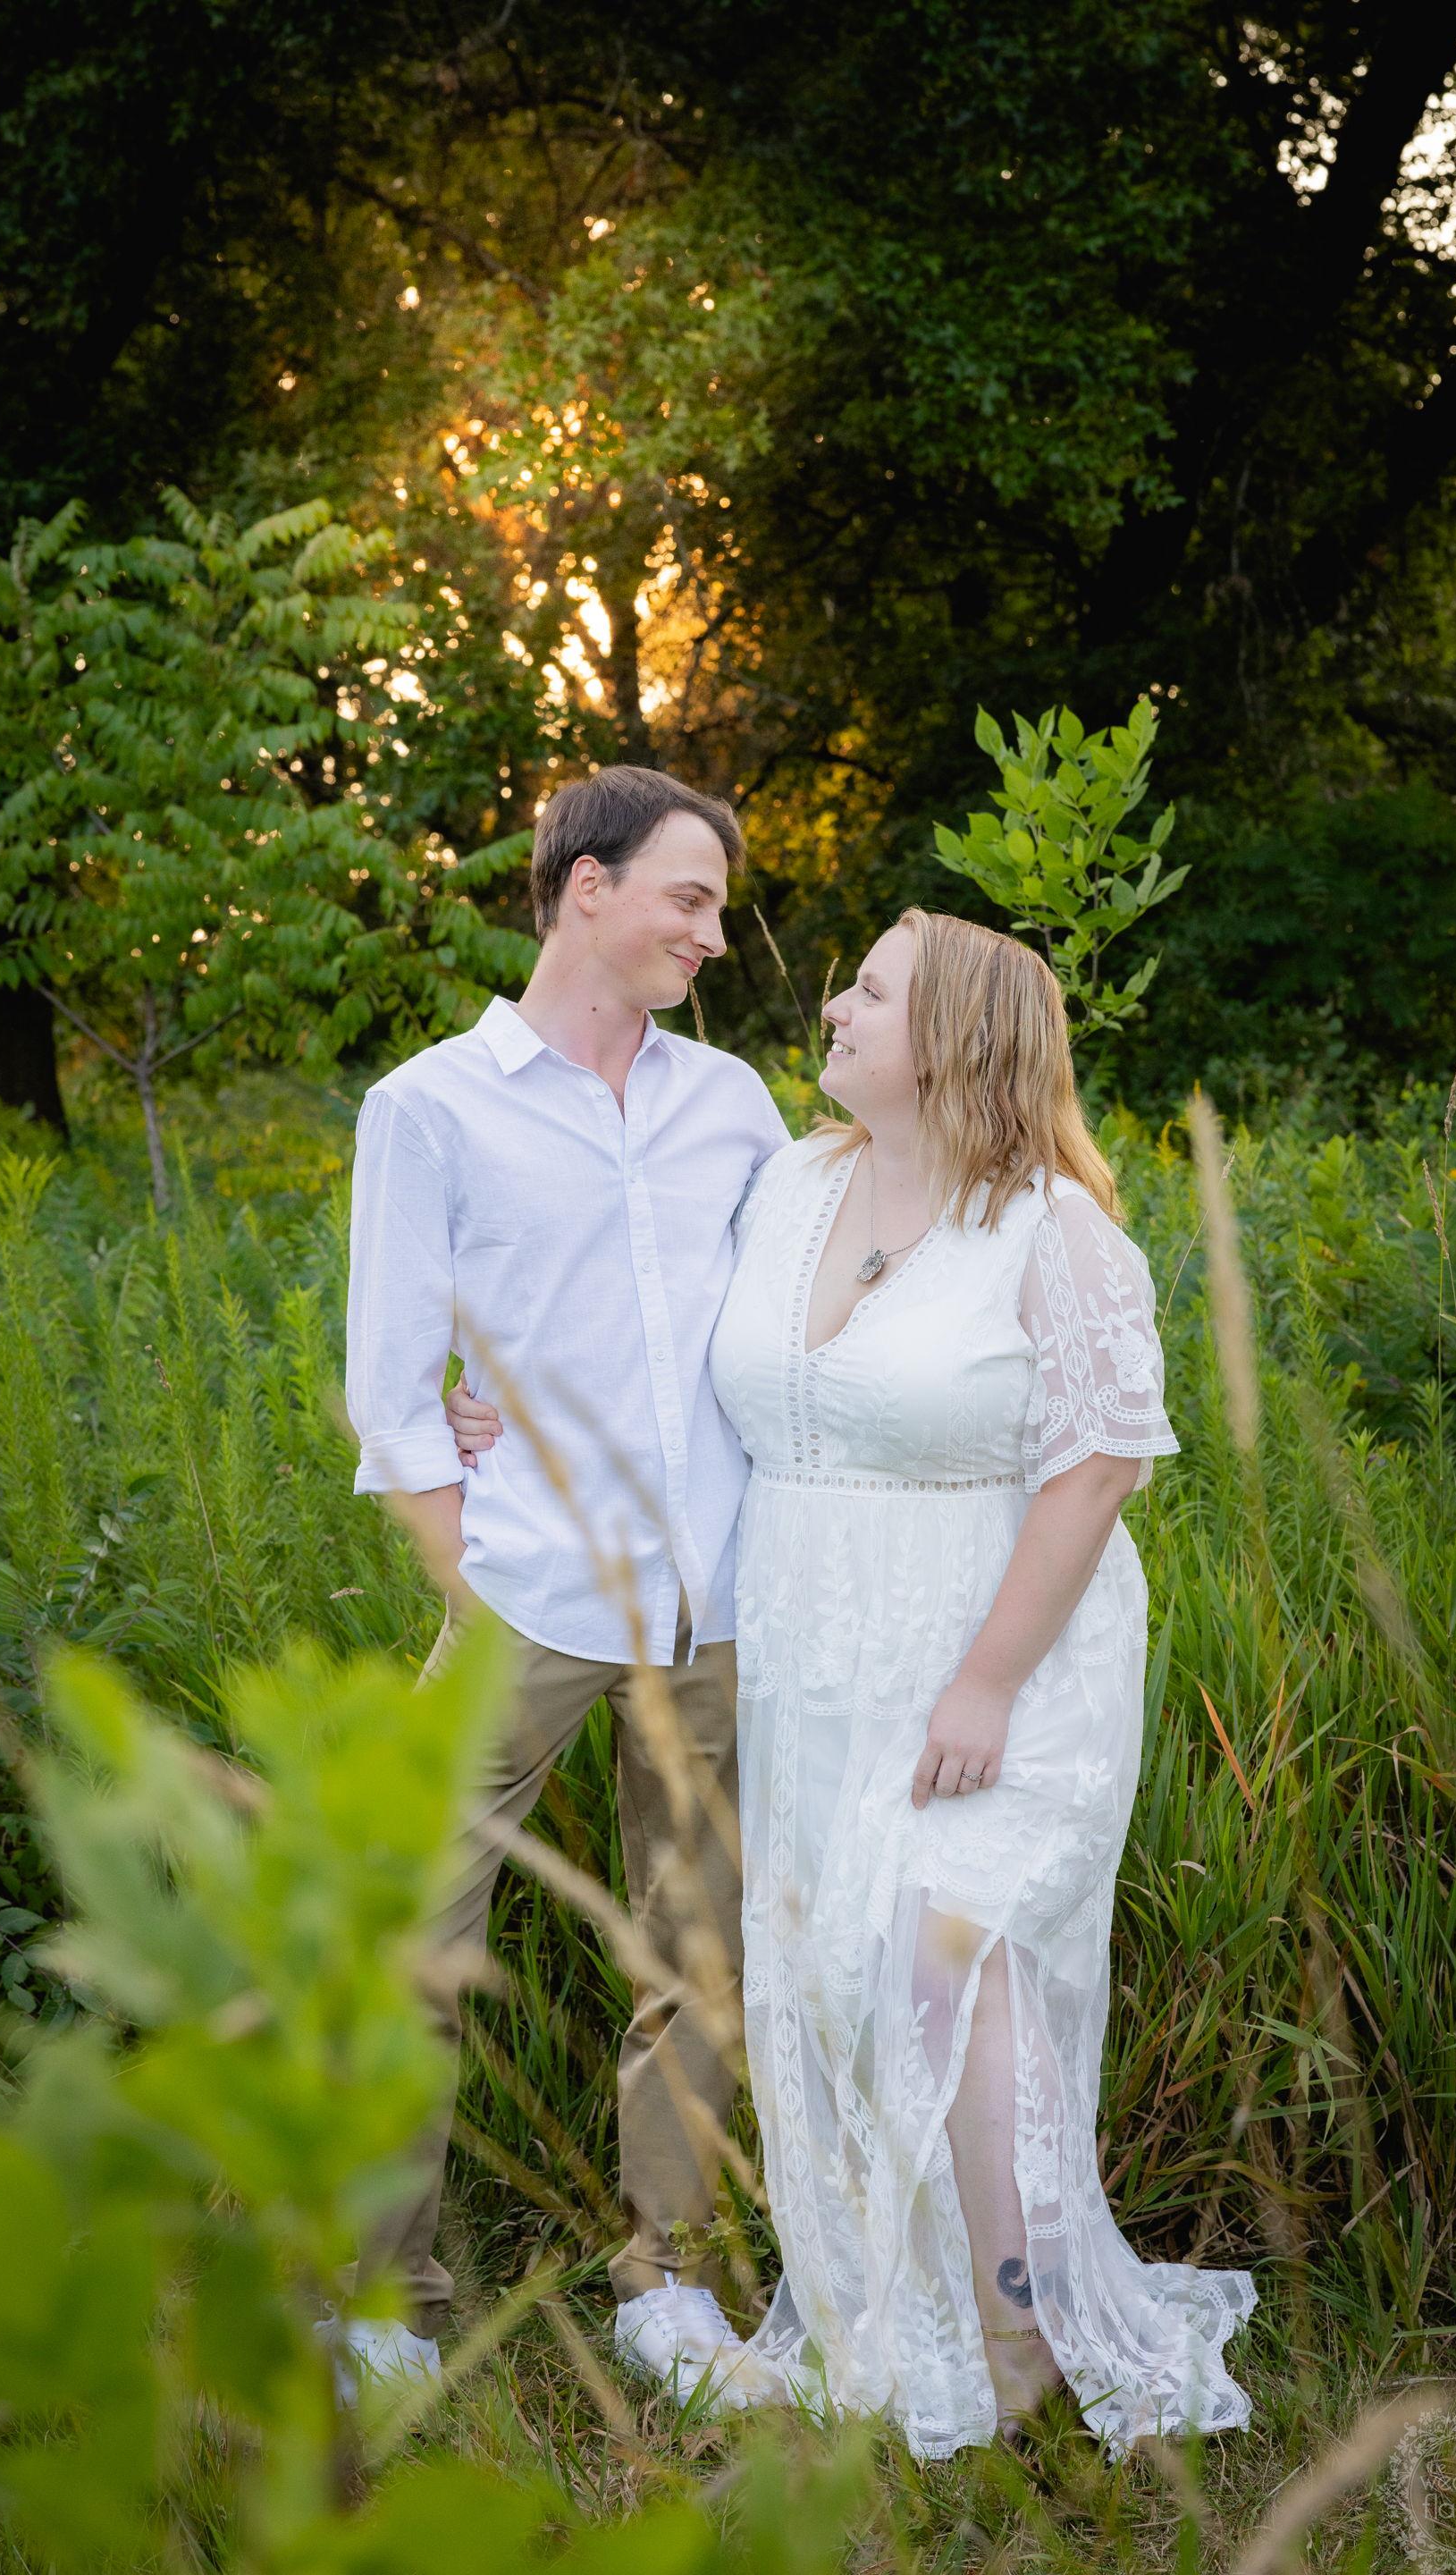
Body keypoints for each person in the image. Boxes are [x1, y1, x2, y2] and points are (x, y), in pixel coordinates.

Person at [449, 908, 1256, 2459]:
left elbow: (1098, 1473)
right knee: (847, 1980)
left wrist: (988, 1686)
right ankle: (907, 2306)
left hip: (997, 1652)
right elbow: (648, 1333)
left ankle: (1019, 2345)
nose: (830, 1003)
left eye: (870, 991)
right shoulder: (794, 1184)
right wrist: (490, 1400)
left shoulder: (1053, 1231)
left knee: (954, 1967)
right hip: (818, 1652)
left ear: (950, 1038)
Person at [341, 764, 791, 2410]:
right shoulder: (431, 1109)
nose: (712, 934)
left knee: (701, 1953)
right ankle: (383, 2300)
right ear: (582, 888)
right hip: (523, 1597)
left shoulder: (732, 1104)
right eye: (689, 897)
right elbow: (390, 1391)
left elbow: (792, 1326)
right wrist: (471, 1588)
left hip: (718, 1605)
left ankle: (664, 2288)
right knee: (410, 1932)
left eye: (720, 907)